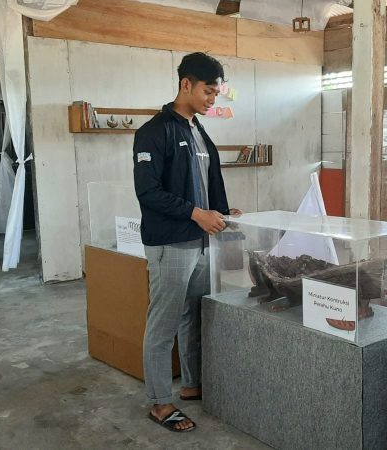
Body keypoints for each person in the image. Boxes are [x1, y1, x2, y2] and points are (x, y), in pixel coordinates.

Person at [133, 52, 240, 433]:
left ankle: (192, 384)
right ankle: (160, 402)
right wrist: (196, 213)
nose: (212, 99)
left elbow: (207, 183)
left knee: (193, 316)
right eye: (208, 91)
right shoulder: (154, 131)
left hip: (202, 241)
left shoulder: (198, 131)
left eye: (216, 93)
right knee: (163, 323)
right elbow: (148, 192)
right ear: (186, 84)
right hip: (170, 243)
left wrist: (222, 212)